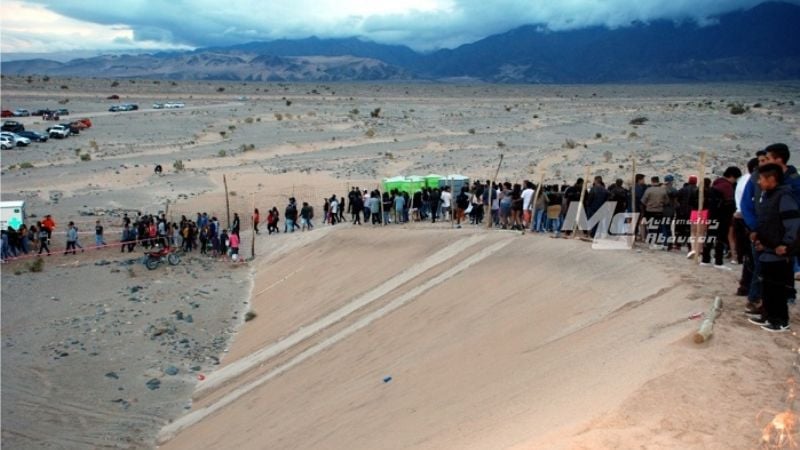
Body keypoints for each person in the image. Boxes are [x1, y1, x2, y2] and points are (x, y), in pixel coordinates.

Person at [748, 163, 800, 332]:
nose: (759, 182)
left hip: (779, 252)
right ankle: (769, 316)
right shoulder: (768, 195)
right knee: (767, 286)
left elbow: (793, 223)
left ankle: (780, 321)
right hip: (767, 249)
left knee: (777, 288)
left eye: (762, 179)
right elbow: (766, 222)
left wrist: (786, 245)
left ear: (771, 179)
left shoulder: (784, 196)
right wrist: (758, 236)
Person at [701, 167, 741, 269]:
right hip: (723, 217)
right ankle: (718, 262)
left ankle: (705, 259)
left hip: (712, 215)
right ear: (732, 176)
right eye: (735, 178)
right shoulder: (727, 187)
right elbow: (729, 204)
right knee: (721, 238)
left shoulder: (716, 184)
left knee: (710, 237)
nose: (735, 181)